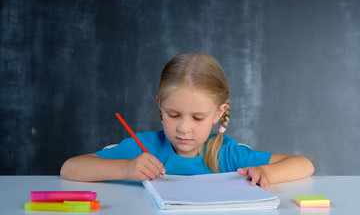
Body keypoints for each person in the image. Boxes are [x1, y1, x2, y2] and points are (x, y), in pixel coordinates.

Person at [61, 52, 314, 190]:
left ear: (218, 113)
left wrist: (265, 173)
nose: (183, 128)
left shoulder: (227, 154)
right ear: (160, 106)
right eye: (173, 115)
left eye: (197, 117)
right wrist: (126, 169)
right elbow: (70, 168)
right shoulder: (144, 147)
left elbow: (303, 164)